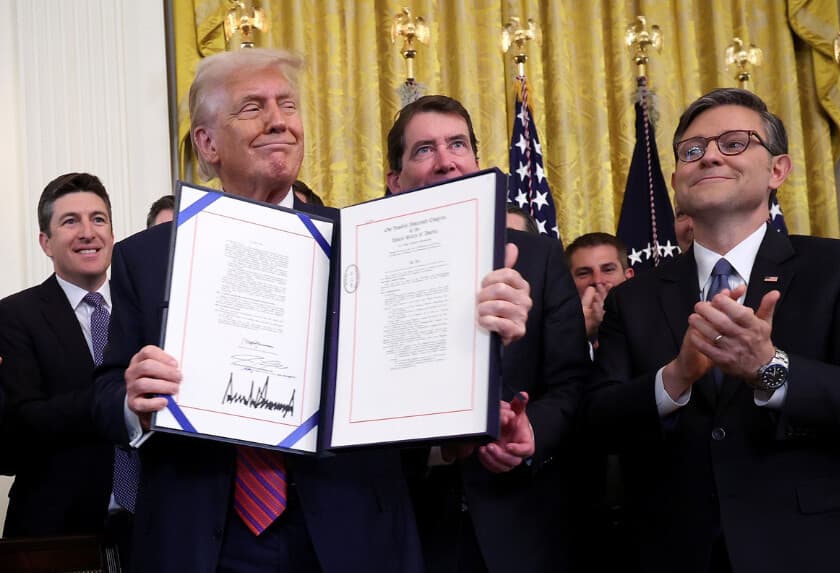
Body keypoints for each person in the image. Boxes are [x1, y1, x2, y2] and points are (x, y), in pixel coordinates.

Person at [92, 50, 529, 573]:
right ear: (207, 144)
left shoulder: (371, 245)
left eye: (288, 105)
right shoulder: (144, 256)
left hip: (353, 533)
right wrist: (134, 400)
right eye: (252, 107)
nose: (278, 120)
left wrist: (476, 343)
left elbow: (413, 387)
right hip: (205, 541)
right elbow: (104, 394)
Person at [587, 88, 840, 572]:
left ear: (778, 170)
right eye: (692, 150)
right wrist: (673, 380)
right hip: (671, 550)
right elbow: (596, 421)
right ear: (676, 180)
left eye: (734, 142)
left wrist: (769, 369)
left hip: (810, 547)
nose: (709, 155)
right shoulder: (632, 298)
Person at [387, 94, 590, 573]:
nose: (445, 162)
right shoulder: (370, 262)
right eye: (423, 150)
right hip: (411, 522)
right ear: (394, 182)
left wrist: (530, 432)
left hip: (521, 523)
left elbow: (572, 382)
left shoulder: (537, 258)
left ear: (477, 162)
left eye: (457, 144)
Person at [0, 173, 124, 538]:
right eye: (71, 221)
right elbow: (23, 422)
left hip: (151, 530)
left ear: (112, 235)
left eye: (98, 219)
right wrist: (122, 399)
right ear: (46, 242)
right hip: (58, 532)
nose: (88, 232)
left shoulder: (147, 309)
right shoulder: (14, 316)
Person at [565, 232, 634, 342]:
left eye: (608, 270)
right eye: (584, 273)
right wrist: (579, 332)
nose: (598, 281)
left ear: (629, 277)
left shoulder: (654, 323)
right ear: (568, 283)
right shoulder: (554, 332)